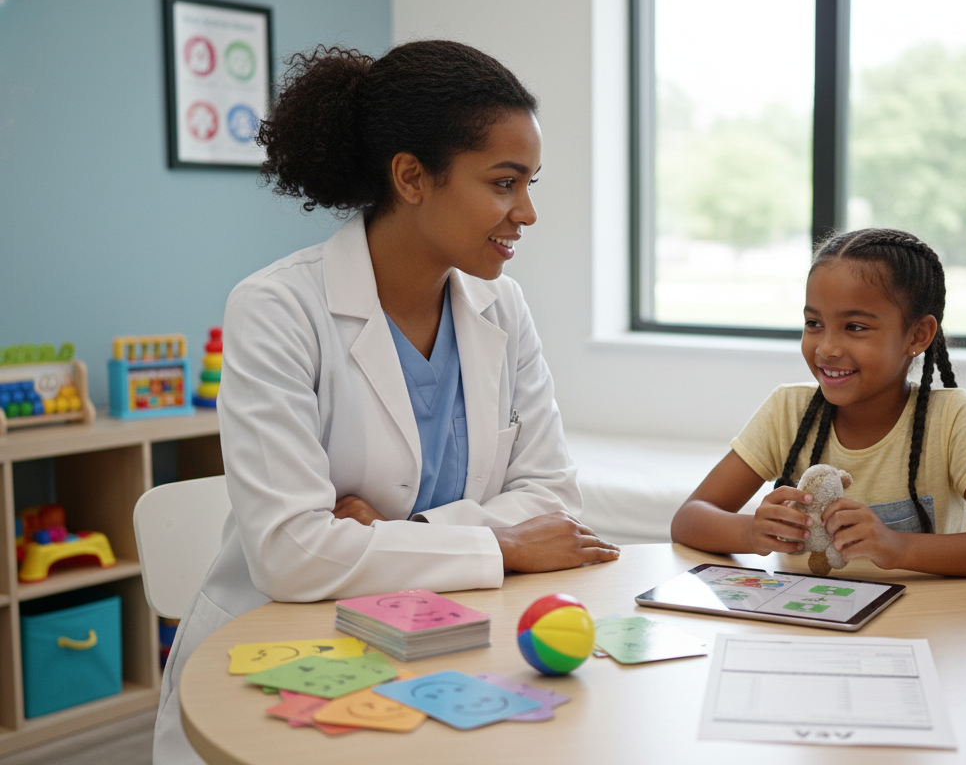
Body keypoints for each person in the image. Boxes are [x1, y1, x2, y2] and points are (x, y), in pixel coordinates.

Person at [154, 41, 619, 762]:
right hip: (284, 655)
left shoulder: (502, 306)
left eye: (529, 183)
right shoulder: (278, 308)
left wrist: (406, 532)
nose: (526, 212)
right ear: (411, 177)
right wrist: (502, 544)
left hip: (443, 646)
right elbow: (291, 555)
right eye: (504, 183)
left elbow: (553, 500)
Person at [671, 229, 966, 578]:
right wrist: (750, 531)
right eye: (814, 323)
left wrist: (898, 547)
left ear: (918, 335)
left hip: (924, 618)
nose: (826, 348)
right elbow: (689, 518)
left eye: (855, 327)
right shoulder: (787, 411)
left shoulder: (952, 419)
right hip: (804, 613)